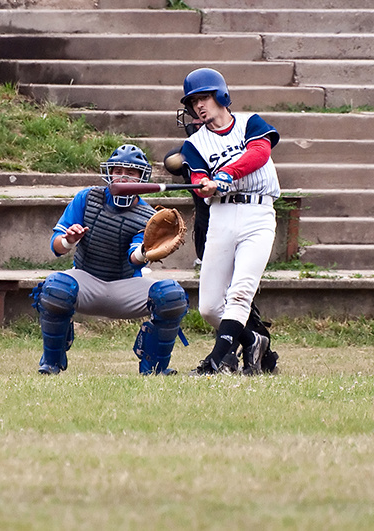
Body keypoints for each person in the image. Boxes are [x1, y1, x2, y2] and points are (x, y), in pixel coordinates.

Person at [32, 144, 190, 376]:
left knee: (171, 296)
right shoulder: (87, 198)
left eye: (131, 172)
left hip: (125, 283)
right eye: (117, 171)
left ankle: (154, 368)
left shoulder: (149, 216)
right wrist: (68, 239)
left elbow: (134, 259)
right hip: (87, 278)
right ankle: (51, 363)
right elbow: (56, 247)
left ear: (142, 178)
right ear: (109, 173)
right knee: (56, 287)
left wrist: (145, 252)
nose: (123, 177)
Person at [177, 68, 279, 376]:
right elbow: (197, 177)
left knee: (239, 294)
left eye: (204, 97)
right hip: (221, 216)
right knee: (209, 307)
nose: (199, 106)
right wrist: (204, 184)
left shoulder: (251, 123)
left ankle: (216, 360)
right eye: (194, 101)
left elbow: (260, 153)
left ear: (221, 95)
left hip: (257, 213)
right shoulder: (194, 144)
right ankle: (253, 340)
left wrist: (225, 175)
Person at [163, 109, 209, 263]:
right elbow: (170, 163)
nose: (194, 122)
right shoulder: (187, 151)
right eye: (193, 118)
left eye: (198, 118)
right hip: (204, 219)